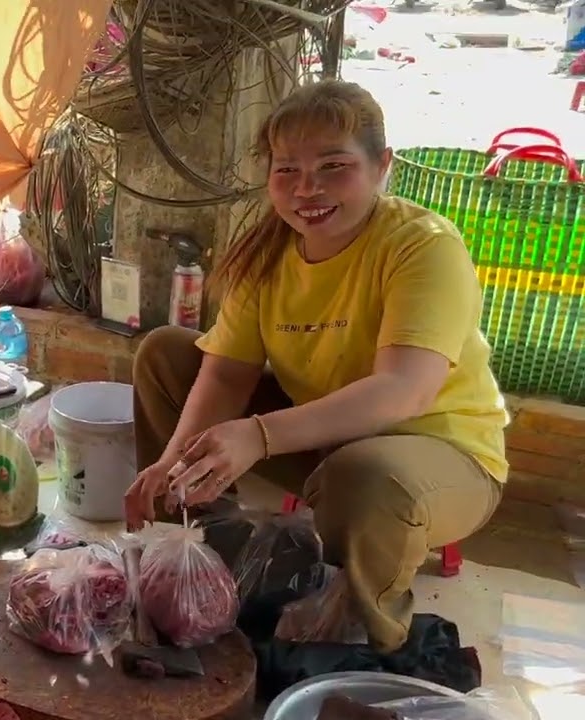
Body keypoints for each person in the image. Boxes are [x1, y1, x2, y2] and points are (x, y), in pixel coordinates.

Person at [123, 79, 507, 655]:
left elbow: (405, 389)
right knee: (166, 355)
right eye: (287, 170)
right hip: (330, 441)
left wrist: (258, 434)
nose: (307, 189)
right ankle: (206, 554)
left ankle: (362, 640)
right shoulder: (267, 252)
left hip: (441, 456)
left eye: (333, 166)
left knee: (367, 475)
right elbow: (225, 374)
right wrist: (172, 461)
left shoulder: (423, 246)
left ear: (382, 166)